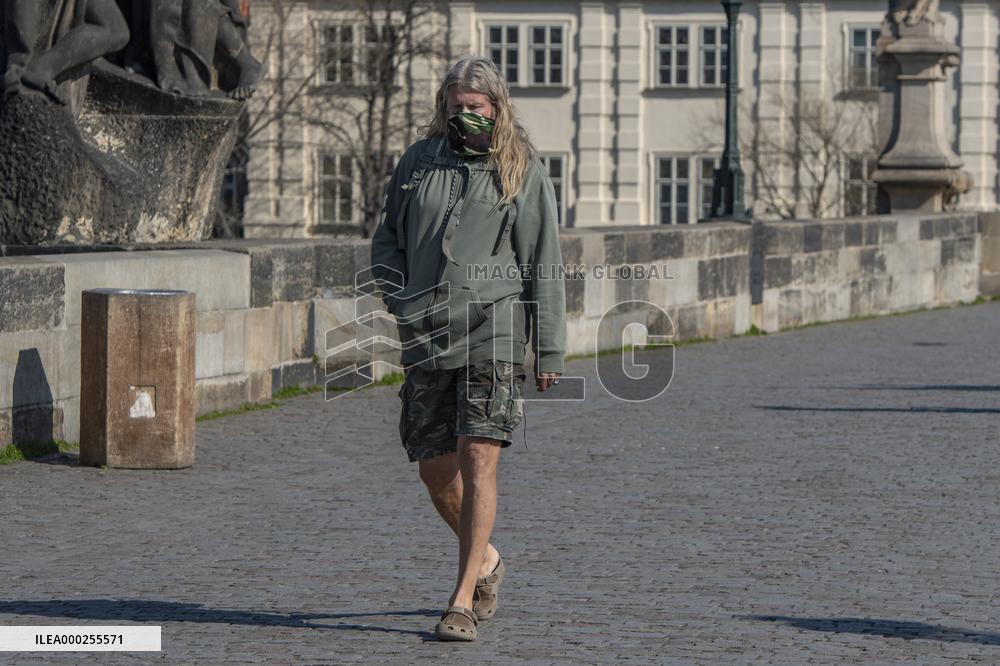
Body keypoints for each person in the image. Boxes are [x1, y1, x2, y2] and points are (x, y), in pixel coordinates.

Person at [369, 56, 566, 642]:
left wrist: (549, 349)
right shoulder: (416, 163)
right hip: (427, 330)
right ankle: (485, 559)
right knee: (436, 469)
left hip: (495, 329)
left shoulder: (521, 169)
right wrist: (401, 299)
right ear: (443, 106)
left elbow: (543, 262)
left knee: (479, 456)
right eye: (456, 107)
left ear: (497, 108)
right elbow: (387, 240)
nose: (465, 116)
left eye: (476, 109)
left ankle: (459, 600)